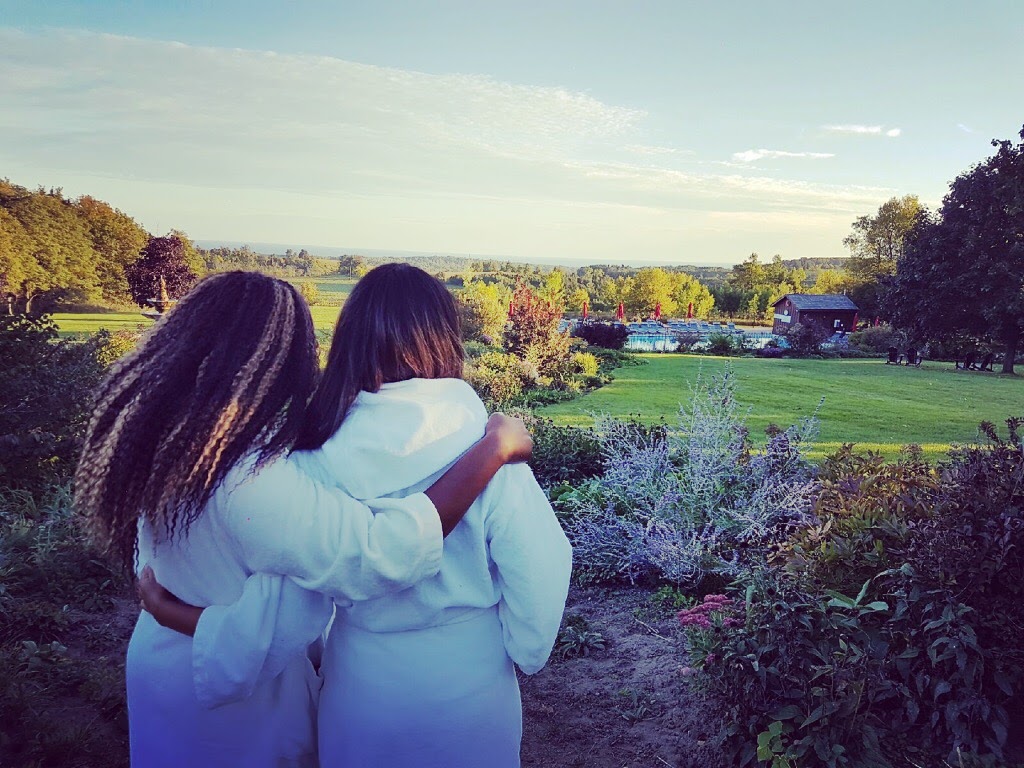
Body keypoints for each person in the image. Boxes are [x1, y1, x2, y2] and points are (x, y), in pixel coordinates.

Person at [74, 271, 534, 768]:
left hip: (164, 670)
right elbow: (379, 554)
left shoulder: (169, 441)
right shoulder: (248, 479)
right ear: (274, 364)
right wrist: (492, 449)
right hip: (236, 706)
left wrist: (169, 615)